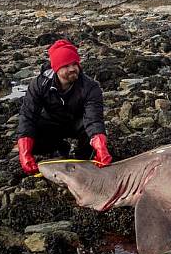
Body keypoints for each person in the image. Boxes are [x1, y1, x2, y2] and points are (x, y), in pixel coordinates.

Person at [17, 39, 112, 175]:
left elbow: (93, 119)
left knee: (91, 132)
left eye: (75, 64)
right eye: (66, 65)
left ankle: (83, 157)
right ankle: (59, 147)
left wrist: (100, 146)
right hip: (51, 123)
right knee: (31, 136)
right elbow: (28, 116)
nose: (73, 68)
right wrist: (24, 152)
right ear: (56, 68)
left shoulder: (90, 87)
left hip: (77, 124)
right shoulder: (39, 84)